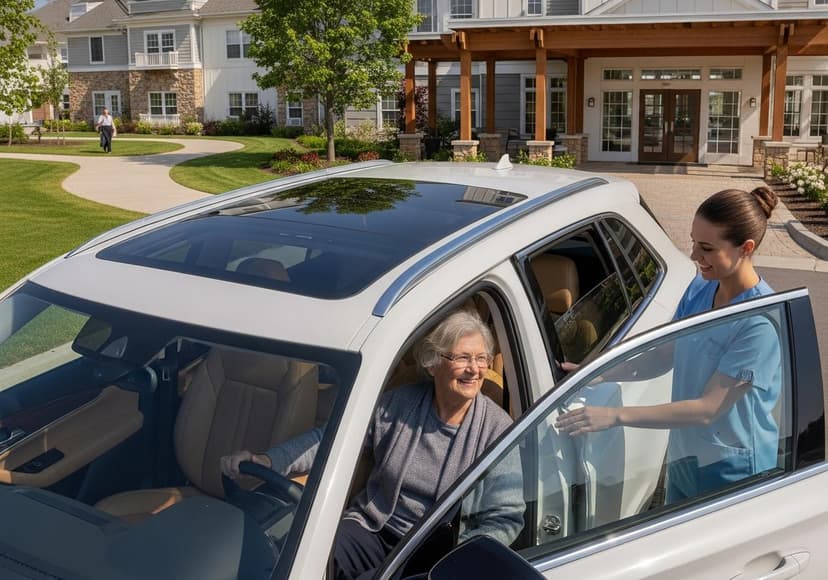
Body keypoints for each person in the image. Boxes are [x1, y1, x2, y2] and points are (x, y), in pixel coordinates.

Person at [220, 309, 524, 579]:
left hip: (433, 554)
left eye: (481, 358)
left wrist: (460, 561)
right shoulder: (399, 403)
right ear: (433, 364)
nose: (475, 369)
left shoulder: (497, 429)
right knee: (298, 555)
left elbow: (506, 518)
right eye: (462, 358)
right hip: (372, 528)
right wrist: (269, 461)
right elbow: (328, 441)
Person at [556, 186, 782, 502]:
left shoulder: (758, 322)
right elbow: (664, 355)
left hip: (732, 475)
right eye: (693, 242)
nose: (693, 256)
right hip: (685, 462)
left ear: (745, 248)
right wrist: (597, 372)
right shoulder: (701, 289)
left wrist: (614, 416)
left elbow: (707, 409)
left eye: (706, 248)